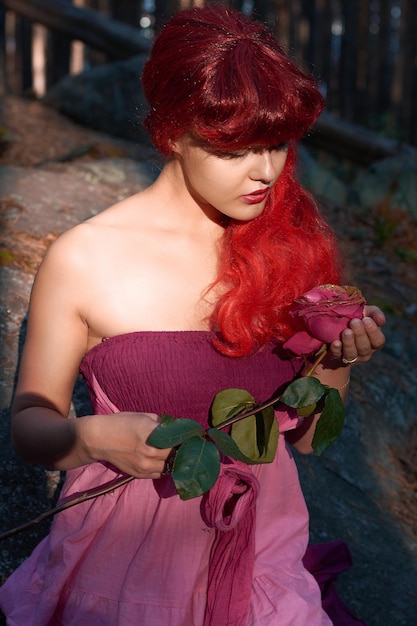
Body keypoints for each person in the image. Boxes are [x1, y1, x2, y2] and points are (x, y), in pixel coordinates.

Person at [0, 5, 386, 625]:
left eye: (276, 145)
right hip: (125, 570)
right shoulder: (86, 258)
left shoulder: (288, 249)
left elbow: (307, 441)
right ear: (173, 133)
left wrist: (338, 360)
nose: (265, 173)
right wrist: (94, 436)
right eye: (236, 150)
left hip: (262, 558)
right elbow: (29, 423)